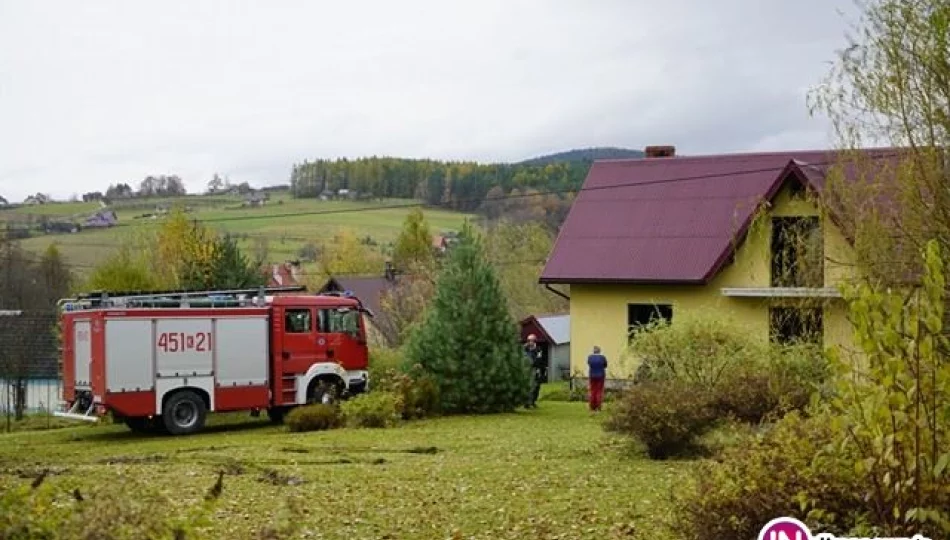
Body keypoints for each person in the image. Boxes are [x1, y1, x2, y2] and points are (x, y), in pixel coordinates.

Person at [524, 334, 545, 408]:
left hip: (535, 369)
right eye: (529, 340)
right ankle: (527, 402)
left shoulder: (538, 350)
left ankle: (532, 401)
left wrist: (540, 370)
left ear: (535, 341)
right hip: (526, 370)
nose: (530, 342)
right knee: (528, 387)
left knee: (536, 387)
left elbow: (539, 360)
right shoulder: (525, 349)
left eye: (532, 340)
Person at [587, 346, 608, 412]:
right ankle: (598, 407)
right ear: (599, 351)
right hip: (601, 375)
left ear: (593, 351)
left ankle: (592, 407)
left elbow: (589, 364)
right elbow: (605, 365)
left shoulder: (590, 357)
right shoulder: (602, 358)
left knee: (593, 391)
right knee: (599, 391)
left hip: (592, 375)